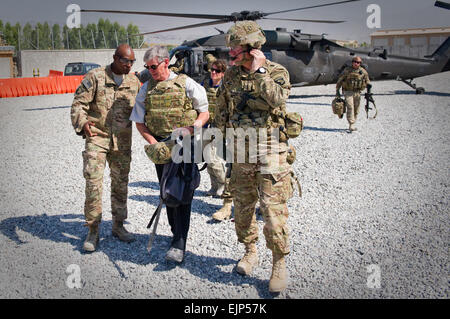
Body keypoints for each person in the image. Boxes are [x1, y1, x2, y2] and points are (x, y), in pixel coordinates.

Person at [215, 21, 293, 293]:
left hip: (270, 149)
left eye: (235, 48)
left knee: (272, 211)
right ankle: (250, 251)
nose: (230, 53)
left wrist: (260, 71)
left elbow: (277, 100)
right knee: (244, 206)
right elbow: (222, 107)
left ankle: (278, 263)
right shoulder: (231, 75)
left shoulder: (275, 72)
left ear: (251, 48)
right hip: (240, 151)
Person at [130, 45, 209, 263]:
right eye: (147, 67)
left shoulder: (186, 84)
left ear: (166, 62)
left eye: (153, 66)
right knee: (167, 192)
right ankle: (176, 233)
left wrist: (193, 128)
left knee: (183, 192)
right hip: (162, 149)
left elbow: (204, 111)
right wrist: (154, 144)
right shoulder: (146, 89)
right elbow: (139, 122)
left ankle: (180, 242)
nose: (150, 70)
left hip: (185, 147)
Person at [71, 44, 141, 252]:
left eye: (131, 62)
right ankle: (93, 230)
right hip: (97, 138)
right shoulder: (95, 77)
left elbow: (144, 106)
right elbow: (78, 104)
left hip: (122, 142)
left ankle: (118, 226)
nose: (128, 65)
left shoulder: (134, 81)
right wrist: (82, 123)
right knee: (93, 183)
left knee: (121, 184)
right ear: (114, 58)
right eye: (125, 61)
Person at [202, 59, 227, 197]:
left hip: (218, 126)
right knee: (207, 157)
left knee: (212, 157)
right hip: (205, 125)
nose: (213, 72)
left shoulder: (226, 88)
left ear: (223, 73)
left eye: (217, 71)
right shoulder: (205, 84)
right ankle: (214, 186)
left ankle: (223, 184)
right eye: (212, 70)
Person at [336, 56, 370, 132]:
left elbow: (367, 80)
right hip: (348, 91)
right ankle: (351, 124)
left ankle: (353, 120)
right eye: (354, 62)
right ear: (352, 62)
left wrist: (369, 89)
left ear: (360, 63)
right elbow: (340, 80)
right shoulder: (347, 70)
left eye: (358, 62)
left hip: (357, 92)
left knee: (356, 109)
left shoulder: (363, 71)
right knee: (350, 106)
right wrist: (337, 91)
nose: (356, 63)